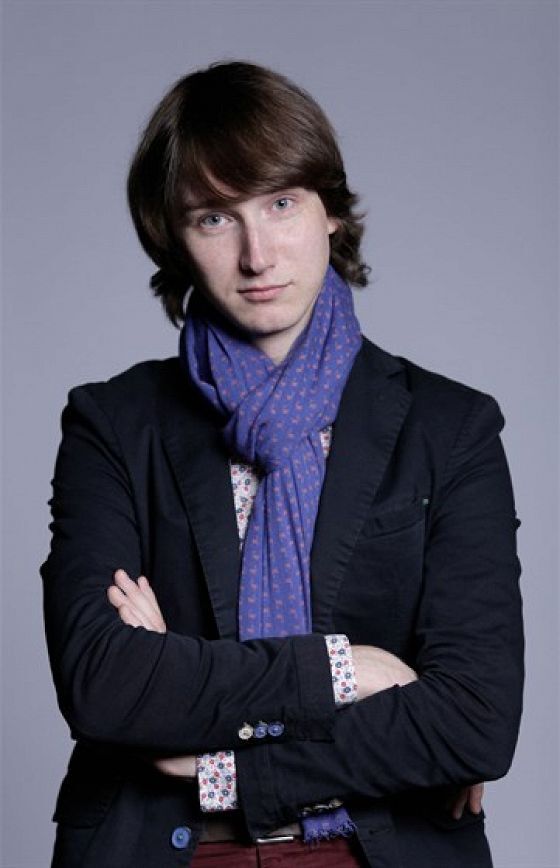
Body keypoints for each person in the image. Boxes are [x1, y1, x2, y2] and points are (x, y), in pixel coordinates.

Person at [42, 61, 524, 868]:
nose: (257, 254)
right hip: (166, 849)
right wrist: (344, 670)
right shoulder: (115, 424)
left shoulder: (450, 428)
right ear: (175, 237)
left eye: (280, 203)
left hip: (379, 849)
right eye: (214, 218)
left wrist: (223, 765)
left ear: (329, 210)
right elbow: (105, 683)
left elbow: (474, 719)